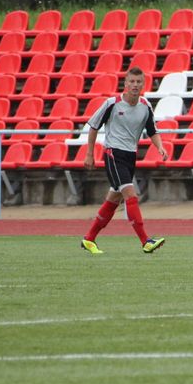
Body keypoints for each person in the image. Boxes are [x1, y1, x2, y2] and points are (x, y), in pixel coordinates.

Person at [80, 66, 167, 254]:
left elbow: (152, 130)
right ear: (125, 84)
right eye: (132, 82)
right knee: (130, 195)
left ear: (143, 84)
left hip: (130, 156)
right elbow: (94, 126)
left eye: (138, 82)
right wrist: (89, 153)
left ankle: (89, 239)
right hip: (113, 154)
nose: (135, 85)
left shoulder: (145, 106)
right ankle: (146, 241)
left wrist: (159, 146)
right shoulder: (112, 103)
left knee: (113, 199)